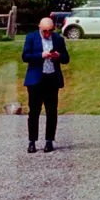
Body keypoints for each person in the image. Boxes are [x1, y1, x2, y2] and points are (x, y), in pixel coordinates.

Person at [21, 17, 70, 153]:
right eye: (45, 31)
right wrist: (41, 55)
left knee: (51, 111)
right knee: (34, 111)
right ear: (39, 28)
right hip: (36, 79)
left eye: (50, 31)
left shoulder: (58, 39)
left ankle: (49, 140)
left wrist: (58, 55)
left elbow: (66, 58)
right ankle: (32, 141)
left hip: (52, 78)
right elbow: (25, 56)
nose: (48, 34)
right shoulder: (31, 37)